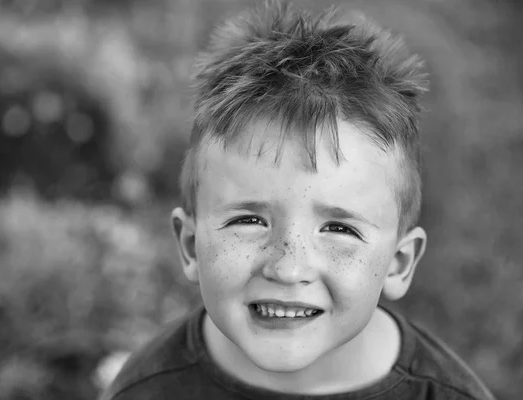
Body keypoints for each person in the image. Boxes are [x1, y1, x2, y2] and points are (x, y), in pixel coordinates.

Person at [100, 1, 495, 399]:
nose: (288, 269)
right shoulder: (146, 390)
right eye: (249, 221)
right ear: (190, 246)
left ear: (398, 262)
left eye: (339, 228)